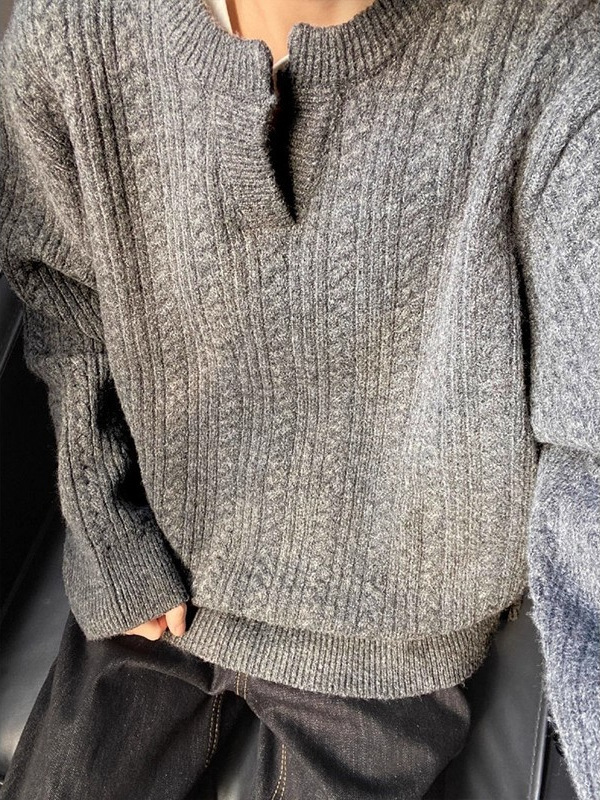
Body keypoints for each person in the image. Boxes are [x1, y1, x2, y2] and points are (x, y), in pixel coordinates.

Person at [0, 0, 598, 798]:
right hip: (160, 578)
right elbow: (61, 294)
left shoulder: (558, 52)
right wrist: (108, 532)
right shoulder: (72, 29)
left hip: (395, 633)